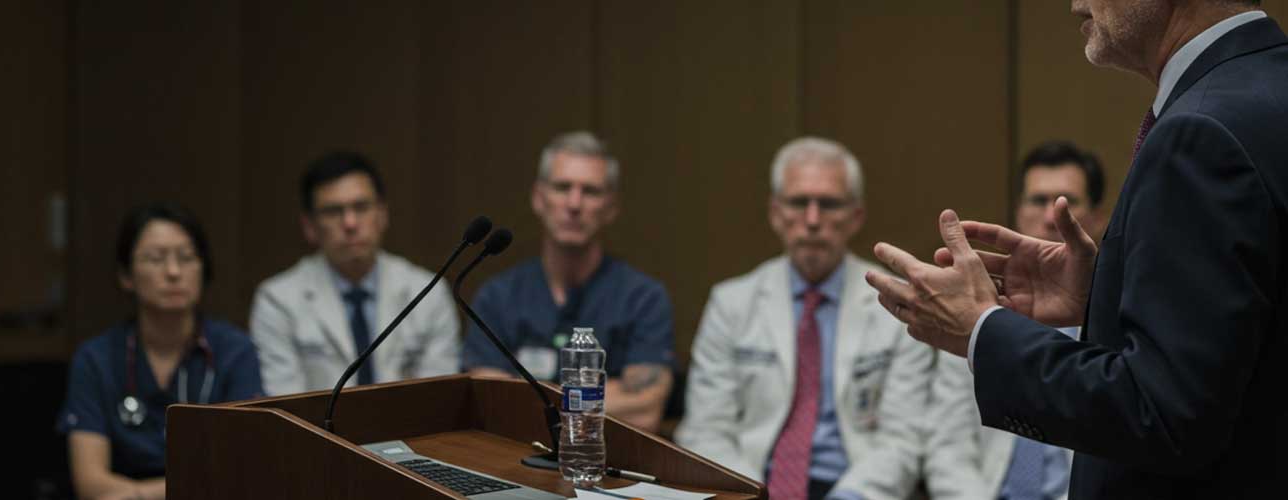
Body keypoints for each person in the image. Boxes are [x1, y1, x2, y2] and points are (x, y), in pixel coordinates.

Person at [865, 2, 1287, 498]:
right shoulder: (1267, 85)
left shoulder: (1199, 131)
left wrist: (982, 330)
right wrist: (1104, 291)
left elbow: (1164, 416)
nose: (1074, 3)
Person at [676, 137, 932, 500]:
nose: (812, 220)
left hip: (855, 490)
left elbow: (903, 440)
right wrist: (752, 495)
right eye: (799, 203)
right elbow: (706, 430)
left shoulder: (896, 304)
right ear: (775, 213)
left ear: (856, 216)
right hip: (751, 484)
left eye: (829, 204)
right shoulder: (731, 303)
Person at [923, 141, 1108, 500]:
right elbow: (946, 447)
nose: (1050, 217)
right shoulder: (975, 310)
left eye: (1067, 204)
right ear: (1018, 210)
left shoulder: (1118, 312)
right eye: (1038, 201)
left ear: (1098, 217)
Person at [462, 131, 675, 433]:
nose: (574, 204)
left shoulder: (643, 298)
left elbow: (644, 413)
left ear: (611, 207)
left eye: (590, 191)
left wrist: (531, 398)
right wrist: (605, 396)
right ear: (539, 198)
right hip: (511, 465)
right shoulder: (499, 296)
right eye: (563, 188)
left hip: (606, 466)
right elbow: (489, 407)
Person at [57, 203, 264, 500]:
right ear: (126, 275)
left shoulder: (235, 351)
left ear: (204, 270)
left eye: (187, 257)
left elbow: (242, 470)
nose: (173, 272)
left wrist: (138, 494)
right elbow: (91, 484)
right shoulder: (95, 358)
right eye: (155, 259)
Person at [250, 152, 460, 395]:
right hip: (313, 432)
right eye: (333, 211)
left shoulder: (428, 292)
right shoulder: (277, 300)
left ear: (382, 215)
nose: (350, 223)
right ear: (310, 226)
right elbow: (284, 402)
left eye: (361, 207)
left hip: (412, 431)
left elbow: (438, 398)